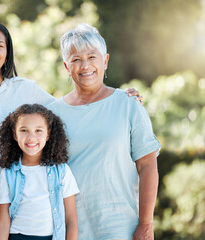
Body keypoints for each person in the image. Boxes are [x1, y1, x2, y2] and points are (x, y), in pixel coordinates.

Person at [0, 21, 142, 229]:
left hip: (13, 207)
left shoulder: (25, 89)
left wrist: (116, 97)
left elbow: (69, 110)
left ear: (7, 53)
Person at [47, 23, 161, 240]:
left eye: (92, 57)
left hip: (122, 228)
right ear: (66, 66)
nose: (85, 65)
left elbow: (147, 165)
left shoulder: (128, 104)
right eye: (76, 59)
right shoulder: (52, 114)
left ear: (105, 60)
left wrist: (146, 224)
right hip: (70, 231)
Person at [0, 104, 79, 240]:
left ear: (48, 134)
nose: (31, 137)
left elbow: (71, 220)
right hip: (17, 236)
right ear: (15, 135)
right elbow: (3, 221)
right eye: (24, 130)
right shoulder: (8, 173)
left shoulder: (62, 171)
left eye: (38, 130)